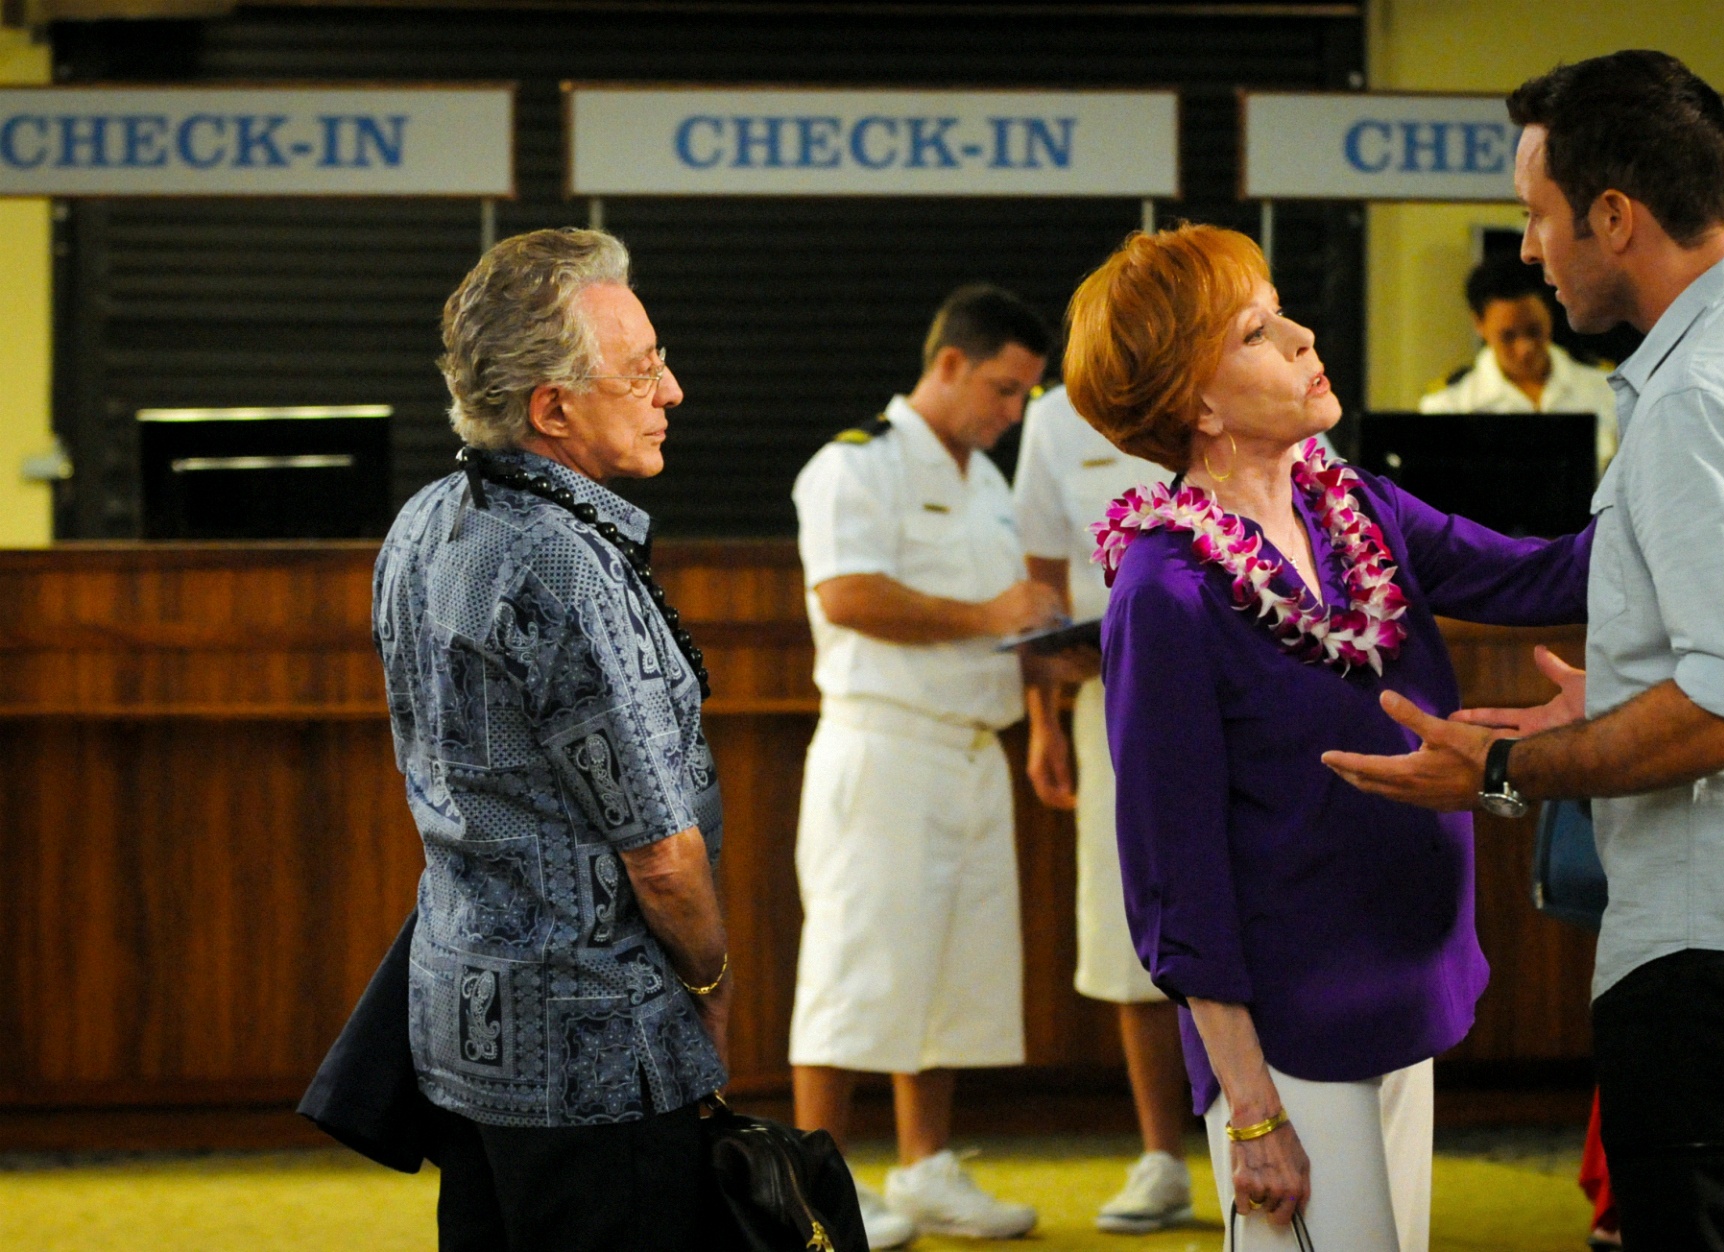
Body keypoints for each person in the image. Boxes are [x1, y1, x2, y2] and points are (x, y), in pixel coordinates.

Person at [1322, 51, 1724, 1252]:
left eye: (1538, 216)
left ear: (1613, 215)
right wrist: (1627, 695)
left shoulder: (1709, 390)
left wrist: (1501, 771)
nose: (1529, 250)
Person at [1067, 222, 1592, 1252]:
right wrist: (1251, 1107)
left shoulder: (1358, 509)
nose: (1304, 336)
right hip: (1289, 1027)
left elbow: (1543, 577)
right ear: (1199, 405)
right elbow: (1172, 877)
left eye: (1280, 313)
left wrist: (1703, 497)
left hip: (1404, 982)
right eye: (1257, 332)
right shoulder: (1166, 588)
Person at [373, 228, 732, 1250]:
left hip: (466, 1035)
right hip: (601, 1053)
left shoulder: (423, 521)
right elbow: (661, 857)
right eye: (642, 370)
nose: (672, 391)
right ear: (553, 410)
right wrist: (712, 984)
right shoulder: (562, 563)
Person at [788, 283, 1060, 1245]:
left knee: (953, 977)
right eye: (1003, 388)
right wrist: (989, 616)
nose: (1014, 411)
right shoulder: (854, 465)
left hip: (975, 750)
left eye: (1025, 394)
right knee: (853, 972)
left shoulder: (987, 482)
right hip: (887, 746)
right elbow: (848, 595)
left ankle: (925, 1166)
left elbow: (1009, 618)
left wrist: (1051, 676)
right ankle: (817, 1188)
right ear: (948, 364)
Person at [1011, 384, 1195, 1233]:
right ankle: (1163, 1157)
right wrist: (1043, 717)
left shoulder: (1230, 378)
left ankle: (1279, 1128)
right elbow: (1043, 577)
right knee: (1131, 930)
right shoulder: (1054, 418)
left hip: (1242, 682)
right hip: (1113, 695)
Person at [1420, 255, 1620, 473]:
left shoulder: (1607, 389)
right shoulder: (1450, 405)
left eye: (1534, 331)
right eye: (1508, 336)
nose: (1525, 348)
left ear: (1550, 313)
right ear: (1479, 324)